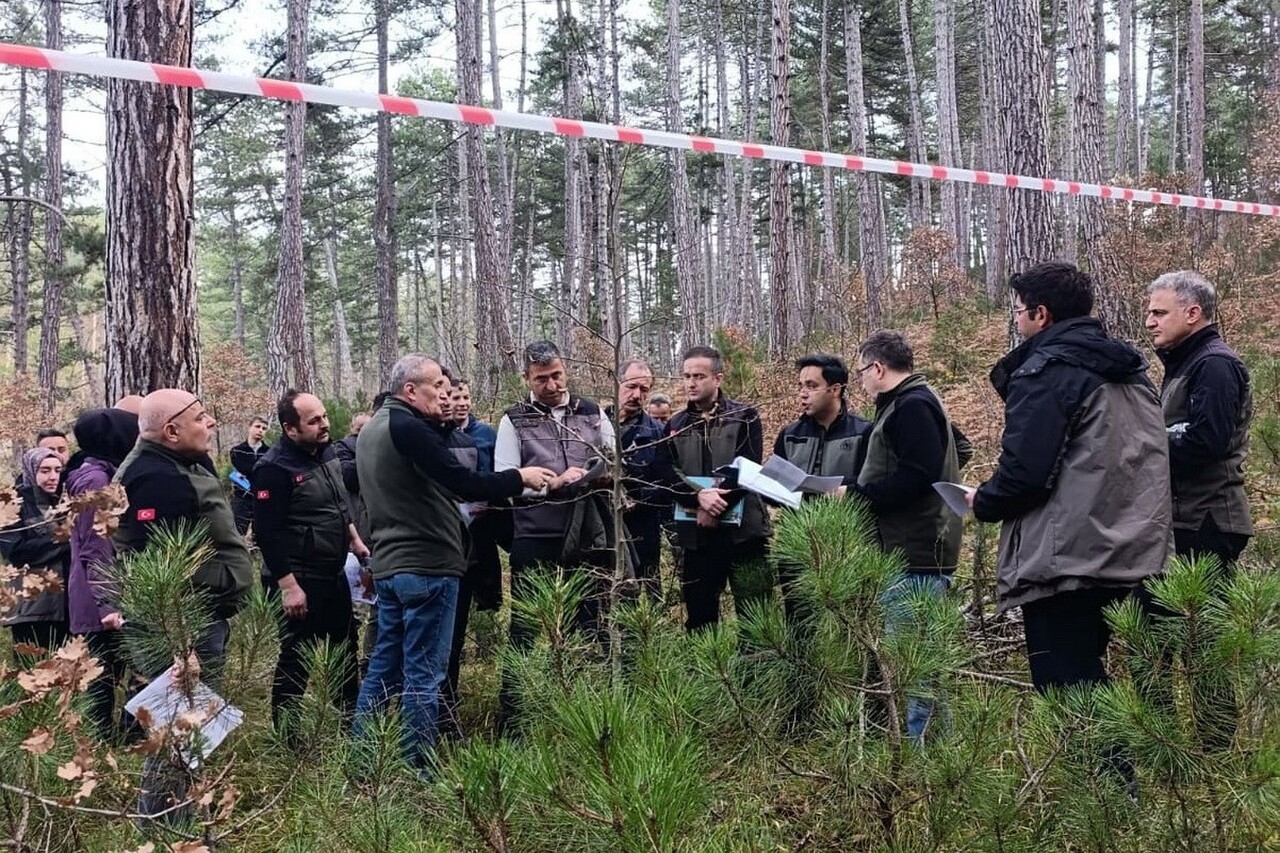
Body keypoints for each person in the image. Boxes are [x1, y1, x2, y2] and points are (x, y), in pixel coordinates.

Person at [969, 262, 1171, 694]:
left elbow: (1024, 474)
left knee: (1068, 691)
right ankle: (1140, 760)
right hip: (1132, 552)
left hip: (1067, 560)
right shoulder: (1133, 372)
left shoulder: (1047, 372)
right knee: (1106, 684)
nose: (1017, 321)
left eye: (1019, 311)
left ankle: (1106, 765)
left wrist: (983, 500)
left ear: (1042, 315)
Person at [354, 354, 554, 770]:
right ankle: (419, 767)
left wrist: (442, 422)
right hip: (427, 565)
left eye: (448, 389)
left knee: (384, 668)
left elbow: (422, 476)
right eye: (437, 388)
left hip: (391, 566)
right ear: (411, 390)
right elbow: (464, 483)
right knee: (425, 675)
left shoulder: (377, 426)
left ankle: (364, 760)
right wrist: (522, 477)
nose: (445, 395)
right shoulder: (407, 427)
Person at [114, 390, 255, 818]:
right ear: (171, 431)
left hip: (195, 621)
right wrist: (180, 646)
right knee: (177, 729)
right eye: (200, 417)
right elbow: (156, 575)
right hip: (180, 628)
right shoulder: (157, 479)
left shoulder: (175, 465)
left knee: (187, 731)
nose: (210, 422)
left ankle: (182, 821)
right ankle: (165, 828)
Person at [1143, 270, 1253, 746]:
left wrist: (1143, 446)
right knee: (1157, 642)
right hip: (1182, 521)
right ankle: (1166, 752)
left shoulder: (1214, 365)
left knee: (1200, 646)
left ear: (1194, 313)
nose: (1149, 321)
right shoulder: (1186, 363)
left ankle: (1214, 759)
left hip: (1206, 523)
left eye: (1159, 311)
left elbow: (1207, 440)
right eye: (1149, 311)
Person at [494, 340, 617, 728]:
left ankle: (587, 711)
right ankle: (515, 717)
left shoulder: (593, 412)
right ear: (527, 378)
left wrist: (599, 472)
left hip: (587, 531)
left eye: (557, 375)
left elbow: (614, 460)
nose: (552, 384)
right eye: (542, 378)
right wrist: (553, 483)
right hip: (536, 532)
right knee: (527, 625)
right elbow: (506, 479)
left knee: (590, 619)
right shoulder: (515, 419)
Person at [849, 334, 964, 742]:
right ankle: (934, 749)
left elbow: (918, 476)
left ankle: (922, 756)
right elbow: (953, 451)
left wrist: (858, 495)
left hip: (915, 554)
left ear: (878, 368)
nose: (861, 382)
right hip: (908, 548)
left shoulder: (912, 405)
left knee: (916, 664)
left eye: (862, 372)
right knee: (920, 663)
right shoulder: (912, 401)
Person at [253, 391, 369, 732]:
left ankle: (352, 726)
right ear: (290, 429)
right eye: (314, 420)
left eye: (324, 417)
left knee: (345, 650)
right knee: (297, 659)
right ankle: (288, 737)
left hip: (332, 572)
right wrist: (288, 586)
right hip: (299, 579)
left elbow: (336, 506)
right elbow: (266, 533)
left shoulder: (326, 452)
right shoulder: (273, 469)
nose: (324, 424)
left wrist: (355, 540)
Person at [663, 345, 774, 632]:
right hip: (697, 536)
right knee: (700, 620)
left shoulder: (745, 416)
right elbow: (667, 474)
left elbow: (746, 467)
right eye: (686, 376)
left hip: (744, 535)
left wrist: (715, 506)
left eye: (699, 376)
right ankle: (706, 675)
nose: (691, 382)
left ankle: (756, 676)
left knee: (757, 618)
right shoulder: (675, 424)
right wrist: (698, 499)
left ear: (718, 378)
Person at [773, 353, 872, 631]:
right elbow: (776, 488)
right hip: (797, 542)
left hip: (845, 545)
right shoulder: (789, 435)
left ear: (835, 389)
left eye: (811, 386)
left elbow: (869, 487)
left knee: (847, 626)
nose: (803, 394)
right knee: (799, 625)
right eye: (801, 386)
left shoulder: (863, 433)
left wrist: (843, 491)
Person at [65, 407, 140, 740]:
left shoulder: (99, 474)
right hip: (99, 599)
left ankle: (117, 739)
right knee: (102, 677)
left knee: (112, 673)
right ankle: (100, 746)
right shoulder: (97, 481)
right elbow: (95, 546)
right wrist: (108, 605)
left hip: (96, 593)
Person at [1, 448, 71, 658]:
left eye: (57, 471)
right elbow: (16, 552)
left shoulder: (63, 502)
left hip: (65, 608)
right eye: (45, 470)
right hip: (31, 608)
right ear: (32, 471)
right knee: (33, 676)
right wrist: (64, 540)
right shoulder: (12, 505)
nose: (53, 477)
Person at [614, 358, 671, 603]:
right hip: (604, 528)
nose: (637, 395)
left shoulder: (656, 433)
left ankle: (652, 635)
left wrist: (639, 499)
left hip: (643, 528)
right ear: (617, 383)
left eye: (644, 390)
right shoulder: (596, 422)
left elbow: (666, 484)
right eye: (631, 386)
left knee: (649, 585)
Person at [229, 417, 270, 535]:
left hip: (262, 498)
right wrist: (260, 469)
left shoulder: (269, 452)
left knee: (261, 535)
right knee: (238, 533)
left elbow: (268, 473)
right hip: (241, 497)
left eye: (264, 428)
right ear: (249, 427)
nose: (260, 430)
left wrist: (251, 472)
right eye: (257, 426)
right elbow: (244, 467)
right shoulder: (237, 451)